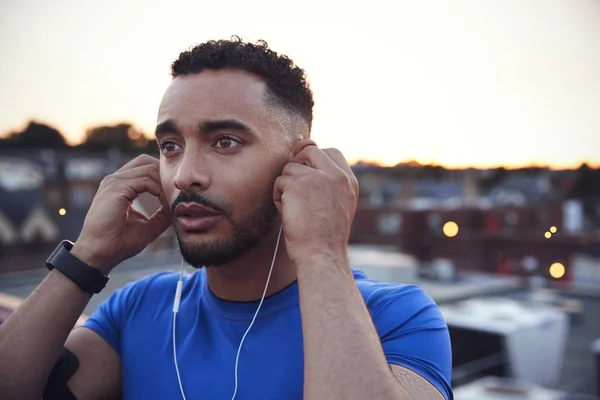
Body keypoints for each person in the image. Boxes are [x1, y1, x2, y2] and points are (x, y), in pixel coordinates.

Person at [0, 37, 453, 400]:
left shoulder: (396, 318)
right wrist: (88, 258)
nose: (185, 176)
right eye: (170, 146)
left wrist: (320, 253)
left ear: (300, 162)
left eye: (225, 142)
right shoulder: (138, 309)